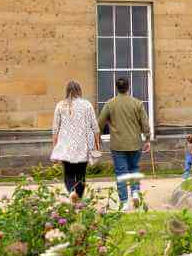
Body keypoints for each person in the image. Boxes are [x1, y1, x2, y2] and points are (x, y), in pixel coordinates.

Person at [98, 75, 150, 206]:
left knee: (121, 173)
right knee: (134, 169)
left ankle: (124, 202)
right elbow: (145, 124)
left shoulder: (110, 104)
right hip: (135, 143)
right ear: (128, 87)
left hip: (118, 145)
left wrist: (97, 138)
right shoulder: (137, 103)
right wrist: (148, 139)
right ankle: (135, 192)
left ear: (117, 88)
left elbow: (100, 123)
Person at [50, 80, 100, 203]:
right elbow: (95, 127)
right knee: (81, 174)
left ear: (67, 91)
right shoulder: (87, 105)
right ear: (79, 90)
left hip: (66, 146)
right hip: (83, 145)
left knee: (68, 173)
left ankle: (72, 192)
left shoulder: (60, 105)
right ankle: (78, 197)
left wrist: (55, 147)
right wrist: (97, 145)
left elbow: (55, 129)